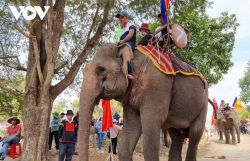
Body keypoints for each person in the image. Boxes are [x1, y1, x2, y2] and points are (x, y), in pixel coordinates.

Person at [116, 11, 136, 80]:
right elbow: (117, 41)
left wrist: (122, 41)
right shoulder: (120, 31)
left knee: (125, 48)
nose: (120, 19)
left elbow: (130, 35)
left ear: (126, 18)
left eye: (122, 17)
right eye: (119, 18)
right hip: (122, 44)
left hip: (129, 44)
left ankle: (131, 73)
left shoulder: (131, 24)